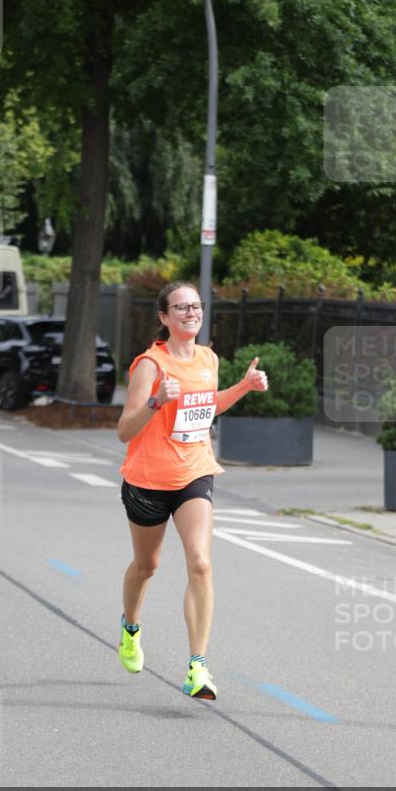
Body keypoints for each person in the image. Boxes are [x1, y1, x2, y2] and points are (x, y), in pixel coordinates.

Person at [116, 281, 268, 700]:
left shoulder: (208, 357)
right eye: (180, 307)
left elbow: (207, 405)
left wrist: (243, 386)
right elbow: (123, 430)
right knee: (147, 566)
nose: (190, 313)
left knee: (201, 564)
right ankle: (130, 628)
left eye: (196, 306)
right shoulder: (149, 365)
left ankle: (197, 667)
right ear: (164, 318)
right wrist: (153, 403)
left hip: (195, 471)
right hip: (148, 479)